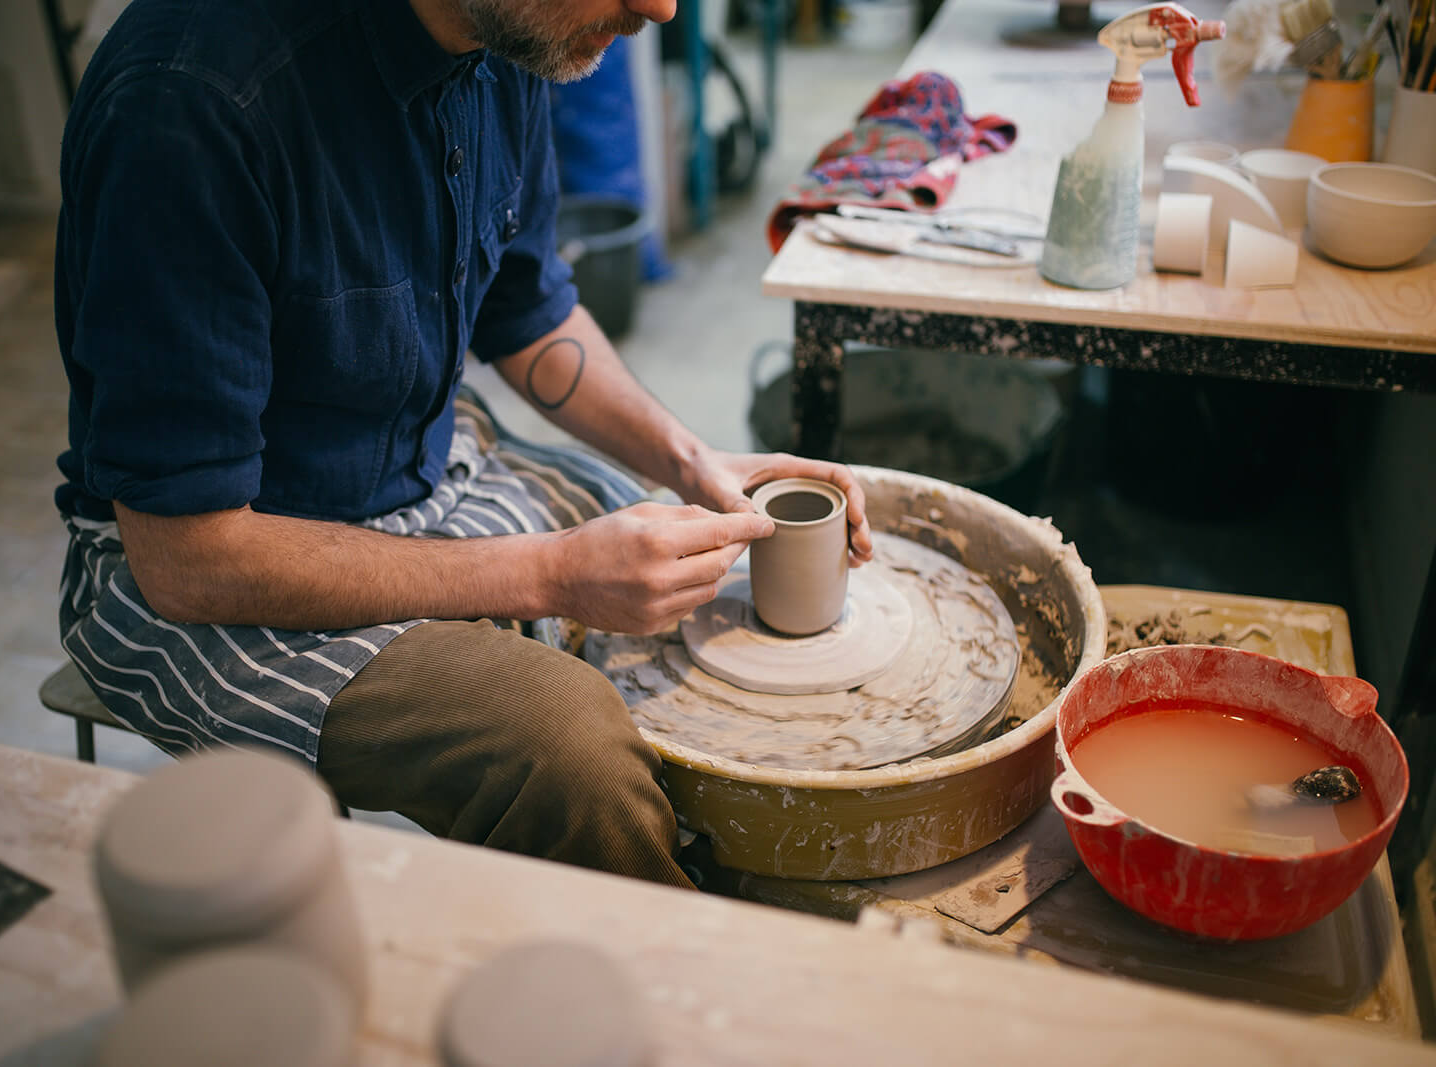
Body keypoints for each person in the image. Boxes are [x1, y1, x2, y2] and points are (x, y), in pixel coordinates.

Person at [53, 0, 873, 891]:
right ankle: (654, 999)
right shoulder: (191, 102)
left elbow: (526, 312)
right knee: (565, 751)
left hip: (428, 471)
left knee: (676, 574)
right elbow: (187, 559)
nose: (660, 8)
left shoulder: (514, 34)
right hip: (213, 569)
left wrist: (689, 459)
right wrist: (552, 572)